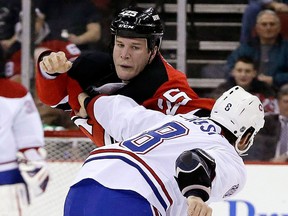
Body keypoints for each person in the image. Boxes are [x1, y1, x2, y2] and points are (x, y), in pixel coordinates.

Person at [63, 85, 265, 216]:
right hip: (135, 196)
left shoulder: (175, 120)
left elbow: (121, 112)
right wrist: (196, 195)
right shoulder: (229, 157)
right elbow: (194, 160)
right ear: (246, 135)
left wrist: (87, 101)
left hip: (85, 183)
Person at [36, 6, 215, 147]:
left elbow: (204, 127)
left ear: (153, 51)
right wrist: (49, 69)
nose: (124, 54)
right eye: (120, 44)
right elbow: (54, 99)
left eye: (135, 47)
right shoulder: (92, 67)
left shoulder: (167, 87)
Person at [0, 46, 49, 215]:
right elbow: (29, 142)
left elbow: (29, 142)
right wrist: (35, 167)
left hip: (6, 181)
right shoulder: (14, 93)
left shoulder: (15, 93)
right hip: (7, 184)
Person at [225, 9, 288, 90]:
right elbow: (230, 67)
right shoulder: (246, 47)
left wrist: (274, 79)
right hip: (249, 91)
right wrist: (250, 77)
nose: (268, 28)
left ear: (279, 27)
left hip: (279, 91)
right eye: (264, 24)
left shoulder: (286, 48)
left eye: (272, 24)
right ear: (257, 28)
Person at [210, 56, 277, 114]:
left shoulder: (265, 90)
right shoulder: (223, 90)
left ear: (254, 73)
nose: (243, 75)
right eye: (239, 70)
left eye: (247, 71)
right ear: (233, 72)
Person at [36, 0, 102, 52]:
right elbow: (35, 27)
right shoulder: (46, 3)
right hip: (48, 50)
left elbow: (95, 33)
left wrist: (78, 40)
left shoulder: (86, 5)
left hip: (76, 51)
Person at [245, 83, 288, 162]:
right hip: (269, 165)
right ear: (278, 103)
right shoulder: (266, 122)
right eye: (286, 101)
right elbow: (256, 142)